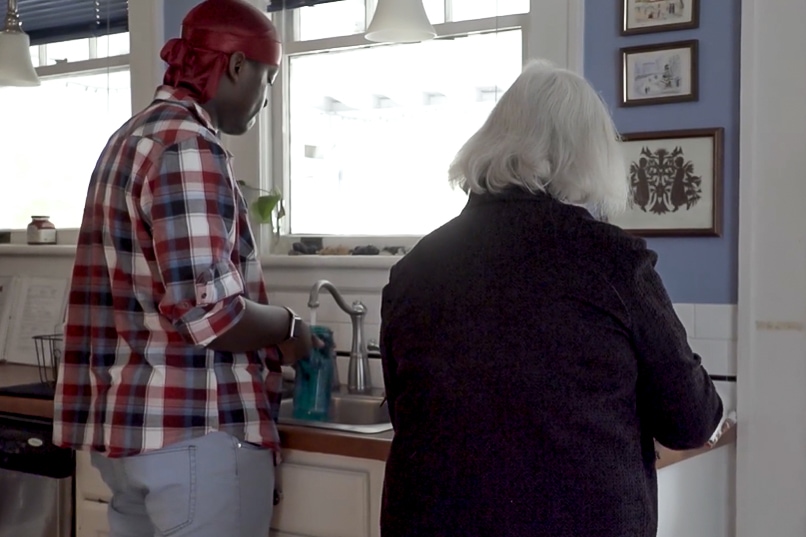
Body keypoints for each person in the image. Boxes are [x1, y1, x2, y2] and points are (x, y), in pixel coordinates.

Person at [379, 60, 723, 537]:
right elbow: (691, 421)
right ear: (590, 158)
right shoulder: (613, 262)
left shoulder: (414, 268)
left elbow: (406, 410)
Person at [52, 1, 315, 536]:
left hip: (132, 436)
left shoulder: (130, 139)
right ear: (238, 66)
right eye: (268, 78)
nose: (266, 99)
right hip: (196, 435)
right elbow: (211, 316)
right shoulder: (190, 147)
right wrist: (290, 326)